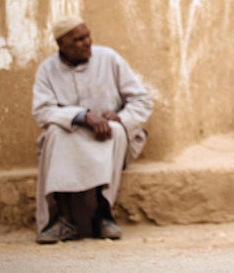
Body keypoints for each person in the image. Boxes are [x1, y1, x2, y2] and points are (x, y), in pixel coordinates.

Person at [32, 14, 153, 244]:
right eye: (78, 40)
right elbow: (42, 111)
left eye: (87, 36)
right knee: (55, 133)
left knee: (114, 131)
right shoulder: (47, 70)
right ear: (62, 45)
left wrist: (120, 116)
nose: (87, 42)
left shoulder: (108, 58)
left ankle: (103, 215)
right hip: (71, 134)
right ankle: (62, 220)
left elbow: (142, 100)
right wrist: (82, 117)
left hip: (108, 132)